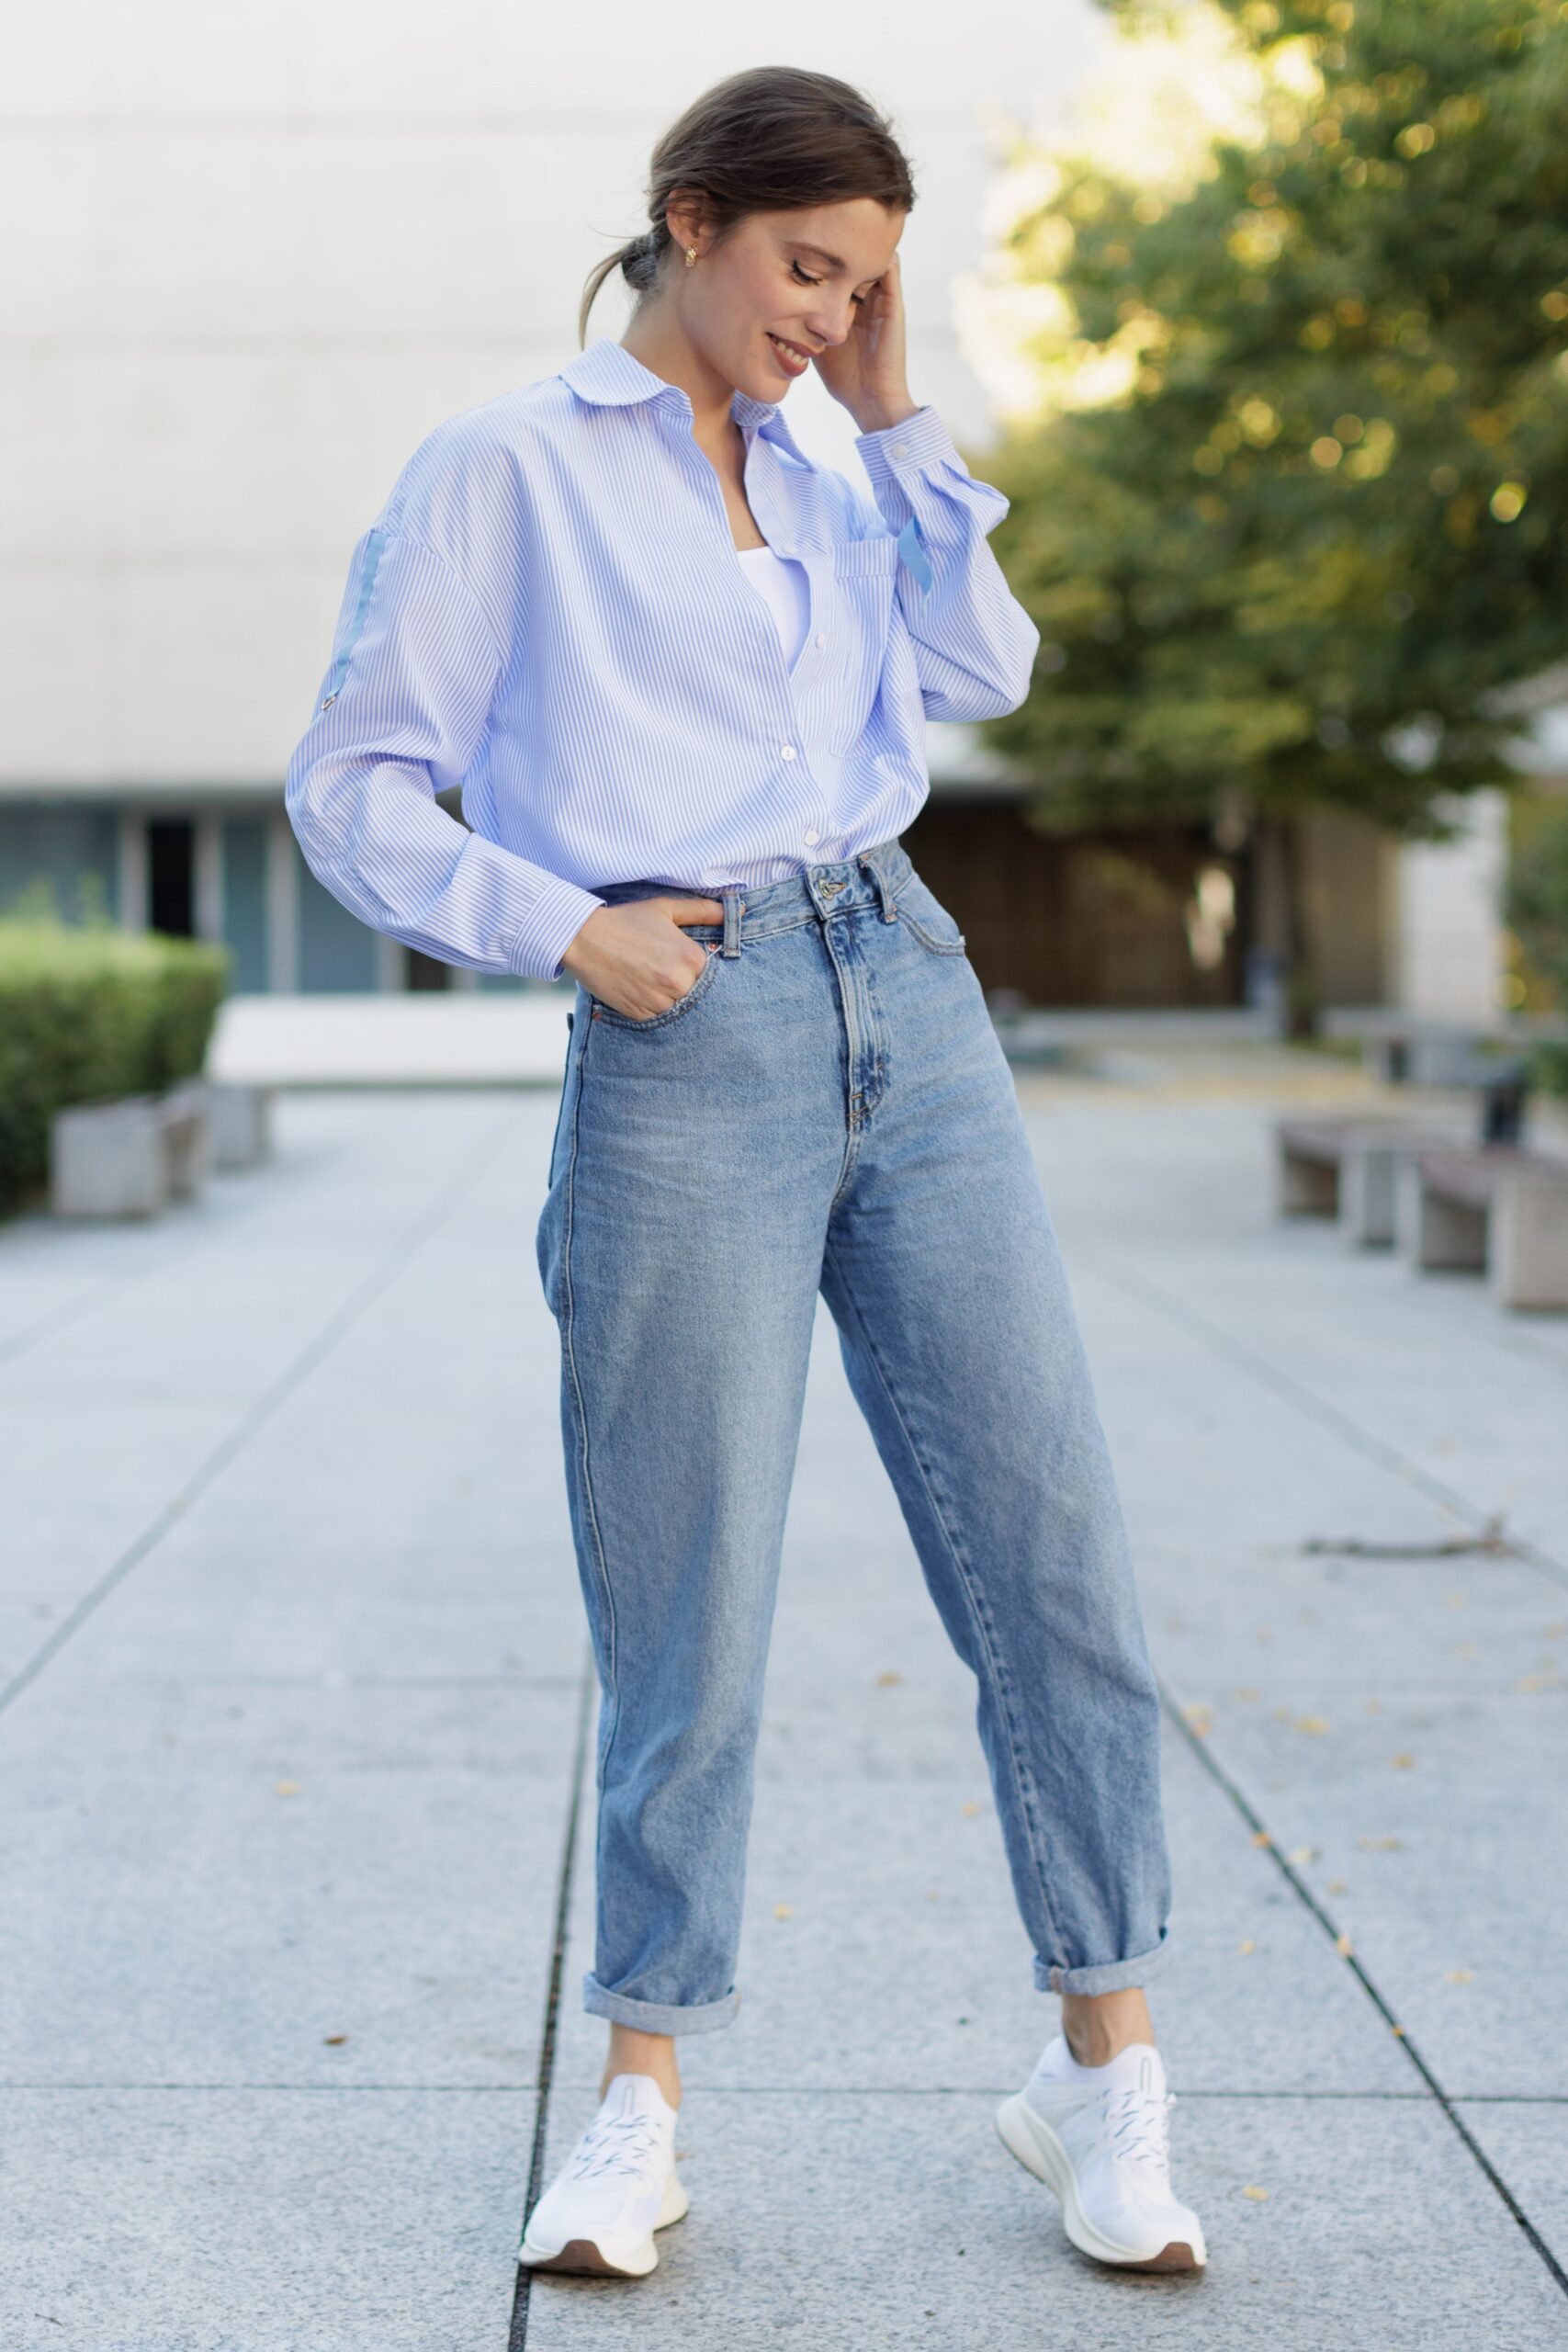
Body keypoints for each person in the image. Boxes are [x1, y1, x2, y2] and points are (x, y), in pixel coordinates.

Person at [286, 63, 1206, 2286]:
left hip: (908, 977)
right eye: (809, 268)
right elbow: (355, 783)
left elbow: (981, 666)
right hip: (685, 1024)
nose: (829, 311)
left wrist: (891, 421)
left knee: (1051, 1550)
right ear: (685, 221)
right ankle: (639, 2094)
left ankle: (1102, 2062)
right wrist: (561, 923)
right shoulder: (503, 468)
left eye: (868, 281)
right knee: (683, 1597)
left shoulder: (827, 454)